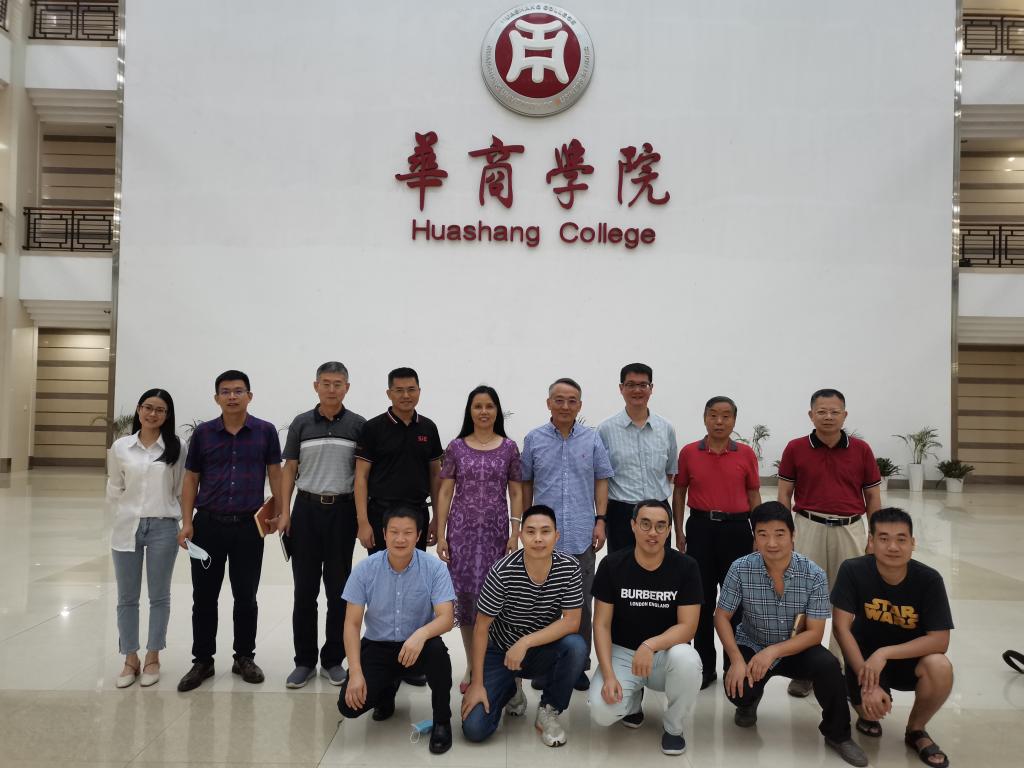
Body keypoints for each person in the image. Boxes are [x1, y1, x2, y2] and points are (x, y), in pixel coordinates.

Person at [715, 502, 868, 767]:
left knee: (829, 667)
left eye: (779, 534)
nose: (771, 543)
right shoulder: (740, 568)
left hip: (796, 647)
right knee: (738, 691)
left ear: (793, 535)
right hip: (752, 641)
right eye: (763, 534)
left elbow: (815, 633)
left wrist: (773, 652)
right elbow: (721, 617)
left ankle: (838, 734)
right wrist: (737, 659)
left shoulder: (814, 574)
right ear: (755, 538)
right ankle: (748, 703)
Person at [176, 370, 282, 692]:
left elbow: (275, 474)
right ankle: (202, 660)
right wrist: (187, 521)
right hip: (207, 526)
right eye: (225, 391)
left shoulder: (265, 432)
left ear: (250, 395)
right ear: (216, 398)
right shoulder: (204, 434)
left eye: (238, 391)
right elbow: (191, 478)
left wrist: (279, 513)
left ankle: (244, 657)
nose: (232, 396)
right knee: (203, 597)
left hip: (248, 528)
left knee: (246, 596)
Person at [777, 388, 881, 698]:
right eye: (821, 411)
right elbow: (784, 493)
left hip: (850, 529)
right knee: (802, 598)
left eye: (835, 411)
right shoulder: (795, 448)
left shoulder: (861, 450)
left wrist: (874, 535)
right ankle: (803, 669)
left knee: (848, 601)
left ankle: (842, 667)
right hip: (808, 526)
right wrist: (784, 532)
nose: (828, 417)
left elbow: (872, 495)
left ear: (845, 415)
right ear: (811, 415)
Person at [831, 508, 954, 768]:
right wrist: (868, 680)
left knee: (940, 666)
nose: (893, 547)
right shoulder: (853, 570)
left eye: (901, 539)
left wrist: (884, 653)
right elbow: (841, 628)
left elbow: (939, 641)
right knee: (870, 713)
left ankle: (916, 730)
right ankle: (861, 704)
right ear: (871, 542)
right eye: (884, 538)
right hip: (865, 661)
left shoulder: (929, 580)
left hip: (909, 659)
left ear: (913, 543)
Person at [461, 505, 588, 748]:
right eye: (530, 532)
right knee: (475, 729)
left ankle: (549, 709)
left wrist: (526, 642)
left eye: (545, 531)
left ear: (556, 536)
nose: (538, 538)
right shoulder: (502, 571)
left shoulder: (569, 567)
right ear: (520, 536)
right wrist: (476, 683)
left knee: (576, 647)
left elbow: (572, 621)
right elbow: (481, 628)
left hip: (541, 648)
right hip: (500, 651)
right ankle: (510, 688)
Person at [337, 506, 455, 755]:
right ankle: (386, 690)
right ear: (384, 533)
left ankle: (442, 721)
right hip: (378, 646)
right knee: (349, 707)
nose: (400, 539)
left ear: (418, 535)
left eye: (408, 533)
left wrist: (420, 635)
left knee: (438, 654)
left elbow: (446, 617)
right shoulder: (365, 569)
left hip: (418, 646)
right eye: (394, 532)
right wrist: (355, 672)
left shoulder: (434, 568)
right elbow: (352, 624)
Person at [589, 499, 703, 756]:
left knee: (688, 659)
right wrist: (608, 675)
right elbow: (601, 624)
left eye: (661, 526)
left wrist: (650, 645)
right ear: (633, 525)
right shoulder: (612, 565)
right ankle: (632, 703)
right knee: (602, 712)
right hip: (623, 653)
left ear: (669, 530)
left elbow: (688, 627)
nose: (653, 532)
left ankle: (673, 726)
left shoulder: (686, 567)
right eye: (645, 524)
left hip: (666, 654)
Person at [277, 361, 366, 688]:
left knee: (339, 592)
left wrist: (362, 519)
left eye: (337, 383)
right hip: (306, 512)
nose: (331, 389)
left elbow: (362, 475)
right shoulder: (301, 423)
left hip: (342, 514)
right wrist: (285, 512)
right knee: (304, 591)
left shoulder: (358, 425)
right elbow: (289, 469)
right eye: (325, 383)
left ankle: (332, 660)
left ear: (347, 388)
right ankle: (304, 661)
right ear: (316, 386)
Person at [435, 385, 523, 693]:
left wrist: (515, 532)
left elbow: (516, 492)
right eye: (478, 406)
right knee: (466, 601)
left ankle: (492, 663)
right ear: (469, 411)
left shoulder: (509, 448)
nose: (484, 411)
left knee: (495, 600)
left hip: (496, 536)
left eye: (489, 406)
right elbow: (445, 491)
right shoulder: (456, 447)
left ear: (497, 411)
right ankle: (473, 664)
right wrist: (442, 534)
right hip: (462, 535)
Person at [673, 396, 761, 690]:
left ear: (734, 420)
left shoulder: (746, 454)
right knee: (701, 598)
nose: (719, 421)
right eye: (713, 415)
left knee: (735, 600)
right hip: (700, 528)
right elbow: (679, 492)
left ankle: (733, 665)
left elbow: (754, 495)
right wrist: (679, 531)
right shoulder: (689, 452)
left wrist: (759, 533)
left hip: (737, 530)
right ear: (704, 418)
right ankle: (704, 666)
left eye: (726, 416)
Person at [108, 388, 184, 688]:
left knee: (159, 596)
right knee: (127, 598)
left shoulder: (177, 447)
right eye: (148, 407)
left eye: (160, 410)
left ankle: (153, 656)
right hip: (127, 527)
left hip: (163, 527)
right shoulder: (121, 447)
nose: (153, 414)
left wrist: (180, 522)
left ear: (167, 415)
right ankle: (130, 658)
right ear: (139, 410)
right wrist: (124, 514)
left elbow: (180, 490)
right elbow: (115, 487)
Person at [354, 367, 443, 555]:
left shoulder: (428, 428)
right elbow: (361, 476)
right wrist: (363, 522)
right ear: (389, 393)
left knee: (415, 568)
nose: (406, 395)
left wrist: (437, 519)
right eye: (399, 390)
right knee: (380, 568)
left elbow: (436, 475)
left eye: (411, 389)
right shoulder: (372, 428)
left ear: (419, 391)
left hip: (417, 512)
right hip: (380, 514)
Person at [597, 363, 678, 553]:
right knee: (620, 564)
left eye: (643, 385)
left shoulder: (666, 428)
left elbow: (669, 472)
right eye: (631, 385)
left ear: (651, 388)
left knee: (660, 565)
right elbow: (601, 477)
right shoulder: (605, 430)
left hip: (659, 511)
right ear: (621, 388)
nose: (637, 390)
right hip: (620, 513)